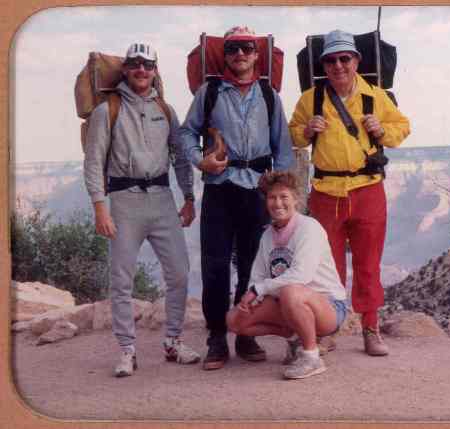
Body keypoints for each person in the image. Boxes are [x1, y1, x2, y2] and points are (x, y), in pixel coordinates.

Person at [289, 30, 410, 356]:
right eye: (331, 60)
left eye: (345, 58)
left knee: (369, 264)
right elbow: (294, 137)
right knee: (327, 267)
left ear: (357, 60)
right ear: (323, 65)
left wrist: (382, 130)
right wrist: (305, 130)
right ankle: (329, 330)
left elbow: (402, 127)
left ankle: (371, 328)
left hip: (367, 189)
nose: (338, 65)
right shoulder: (311, 99)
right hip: (326, 192)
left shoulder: (376, 96)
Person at [179, 26, 294, 370]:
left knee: (252, 265)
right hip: (219, 187)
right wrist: (199, 159)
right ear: (225, 55)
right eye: (232, 49)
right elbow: (187, 132)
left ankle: (245, 332)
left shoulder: (269, 95)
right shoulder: (209, 92)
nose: (240, 54)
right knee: (215, 265)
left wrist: (282, 197)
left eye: (246, 47)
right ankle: (217, 336)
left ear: (257, 54)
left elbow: (282, 147)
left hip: (258, 189)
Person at [84, 43, 200, 377]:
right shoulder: (107, 110)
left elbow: (179, 157)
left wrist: (189, 198)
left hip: (162, 199)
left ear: (155, 70)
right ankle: (126, 350)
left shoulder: (166, 110)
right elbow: (93, 163)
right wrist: (99, 208)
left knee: (179, 273)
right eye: (134, 64)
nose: (141, 70)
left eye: (147, 65)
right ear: (125, 69)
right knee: (121, 280)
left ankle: (173, 342)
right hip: (123, 201)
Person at [226, 171, 347, 379]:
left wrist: (259, 290)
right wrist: (253, 297)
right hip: (288, 303)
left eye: (284, 197)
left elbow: (301, 275)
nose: (278, 203)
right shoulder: (267, 236)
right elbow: (258, 276)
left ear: (296, 199)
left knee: (291, 290)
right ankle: (294, 337)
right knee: (235, 320)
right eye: (272, 198)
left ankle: (311, 357)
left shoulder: (309, 228)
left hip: (328, 306)